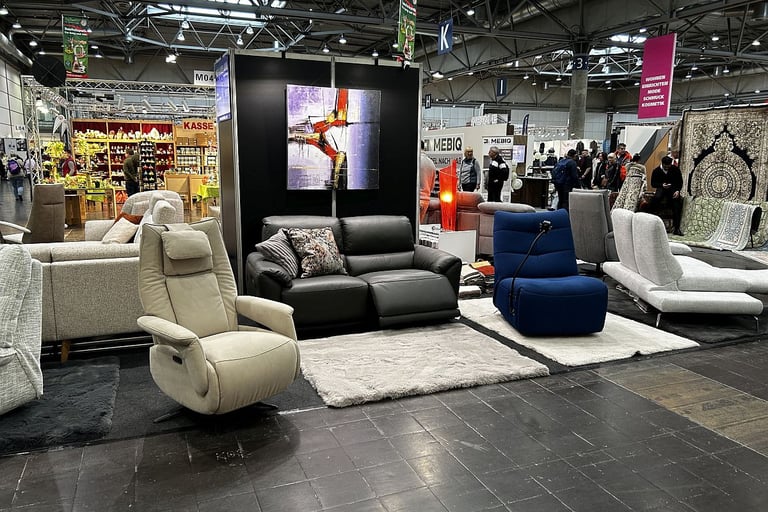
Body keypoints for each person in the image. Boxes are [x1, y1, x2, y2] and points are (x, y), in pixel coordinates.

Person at [648, 155, 684, 235]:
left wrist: (678, 191)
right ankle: (650, 224)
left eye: (669, 166)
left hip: (672, 189)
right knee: (655, 199)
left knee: (677, 204)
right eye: (666, 166)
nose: (667, 168)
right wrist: (661, 185)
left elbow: (680, 182)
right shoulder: (656, 171)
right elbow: (653, 184)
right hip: (661, 188)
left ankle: (677, 228)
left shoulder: (675, 169)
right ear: (662, 164)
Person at [419, 142, 436, 223]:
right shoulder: (431, 163)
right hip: (425, 200)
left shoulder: (416, 161)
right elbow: (432, 186)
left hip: (415, 199)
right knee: (417, 228)